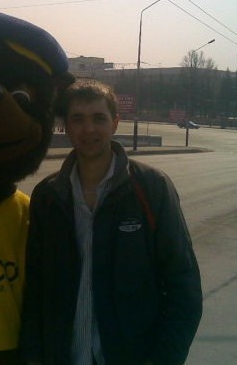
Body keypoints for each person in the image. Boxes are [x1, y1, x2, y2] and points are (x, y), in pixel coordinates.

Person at [20, 80, 202, 365]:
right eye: (77, 119)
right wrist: (33, 356)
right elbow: (34, 288)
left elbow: (184, 286)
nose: (88, 129)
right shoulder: (48, 196)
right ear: (66, 126)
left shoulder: (150, 188)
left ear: (115, 123)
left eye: (98, 118)